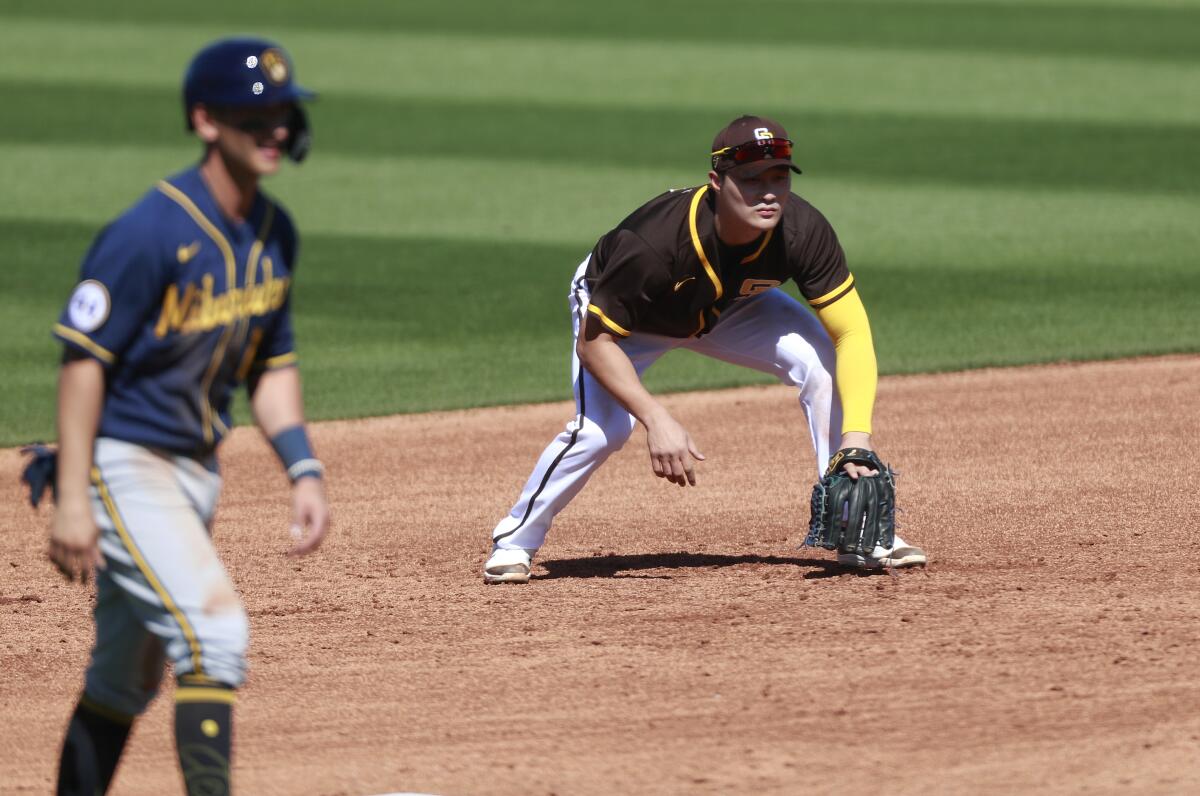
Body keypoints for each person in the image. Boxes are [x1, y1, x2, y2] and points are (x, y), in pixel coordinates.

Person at [39, 37, 329, 795]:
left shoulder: (274, 234)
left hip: (194, 476)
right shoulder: (148, 233)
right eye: (253, 115)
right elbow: (82, 362)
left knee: (121, 682)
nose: (274, 129)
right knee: (216, 635)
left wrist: (301, 465)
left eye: (282, 115)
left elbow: (271, 363)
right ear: (205, 120)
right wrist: (72, 497)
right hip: (123, 469)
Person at [484, 115, 926, 584]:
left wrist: (855, 437)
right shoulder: (653, 245)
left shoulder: (802, 230)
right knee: (602, 430)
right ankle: (515, 540)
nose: (769, 192)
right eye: (752, 180)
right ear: (717, 182)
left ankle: (853, 531)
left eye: (779, 176)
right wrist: (655, 418)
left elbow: (852, 333)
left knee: (822, 363)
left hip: (728, 308)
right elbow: (595, 343)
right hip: (629, 323)